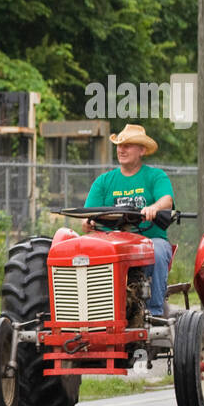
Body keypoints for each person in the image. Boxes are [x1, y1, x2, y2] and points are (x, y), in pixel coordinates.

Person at [85, 123, 175, 316]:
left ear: (142, 150)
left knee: (157, 251)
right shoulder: (103, 181)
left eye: (128, 145)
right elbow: (87, 217)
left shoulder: (155, 176)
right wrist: (88, 222)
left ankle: (154, 314)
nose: (121, 149)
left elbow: (167, 200)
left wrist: (154, 208)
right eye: (119, 145)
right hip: (111, 244)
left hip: (149, 240)